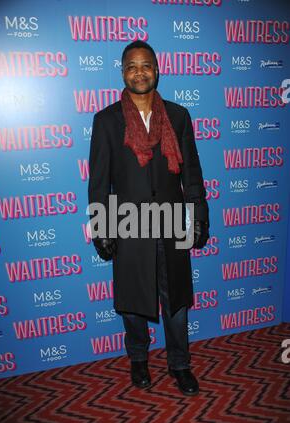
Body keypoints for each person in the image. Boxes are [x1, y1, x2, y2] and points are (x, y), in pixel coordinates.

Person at [88, 40, 209, 396]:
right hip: (128, 224)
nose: (139, 72)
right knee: (133, 303)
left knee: (176, 303)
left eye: (146, 65)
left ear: (157, 69)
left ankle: (180, 364)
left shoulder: (178, 116)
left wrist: (198, 214)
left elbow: (192, 174)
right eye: (131, 66)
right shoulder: (107, 121)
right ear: (122, 72)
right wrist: (101, 228)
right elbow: (99, 182)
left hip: (171, 223)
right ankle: (138, 360)